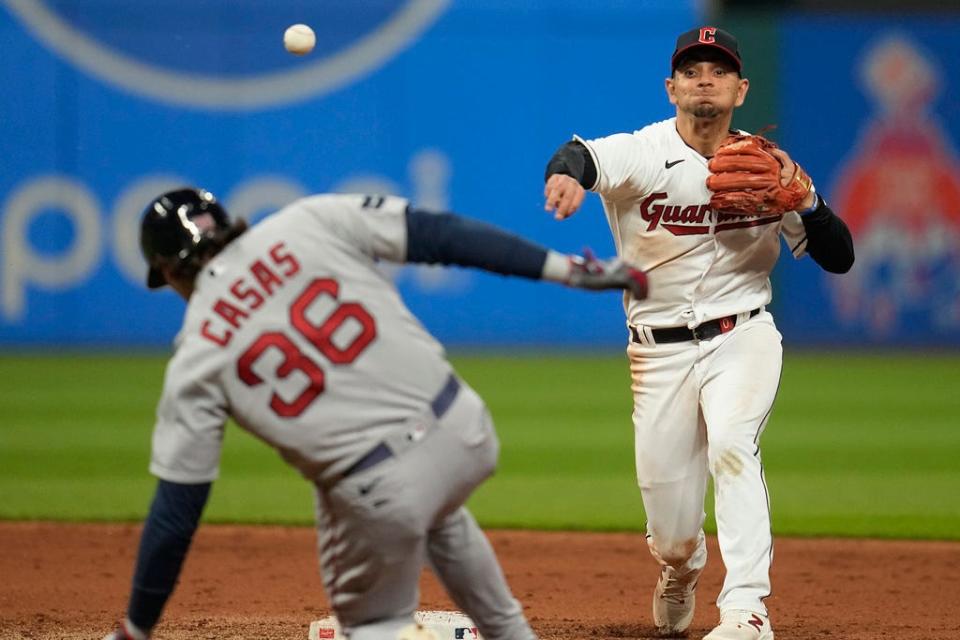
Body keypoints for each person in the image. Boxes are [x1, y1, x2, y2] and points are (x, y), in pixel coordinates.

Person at [102, 187, 649, 640]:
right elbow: (443, 236)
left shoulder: (196, 352)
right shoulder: (306, 220)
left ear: (168, 270)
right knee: (437, 514)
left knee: (374, 621)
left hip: (382, 489)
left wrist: (136, 627)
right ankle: (511, 634)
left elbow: (177, 512)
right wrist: (566, 270)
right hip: (464, 425)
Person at [542, 26, 854, 640]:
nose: (704, 78)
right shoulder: (641, 151)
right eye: (691, 70)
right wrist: (569, 177)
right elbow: (577, 156)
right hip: (656, 352)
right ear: (671, 88)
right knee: (672, 530)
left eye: (718, 70)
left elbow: (839, 257)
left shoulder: (769, 169)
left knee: (735, 445)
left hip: (743, 335)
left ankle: (746, 611)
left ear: (741, 88)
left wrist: (810, 202)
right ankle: (680, 570)